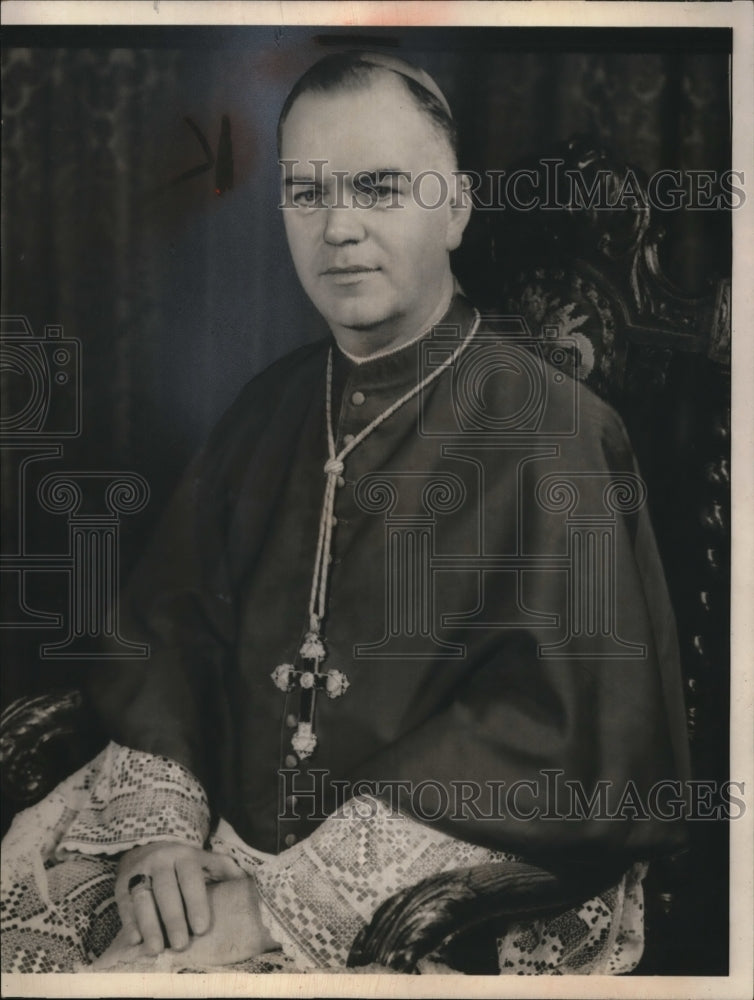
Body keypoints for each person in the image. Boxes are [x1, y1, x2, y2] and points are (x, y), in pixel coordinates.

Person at [1, 51, 690, 976]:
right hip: (209, 855)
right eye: (305, 191)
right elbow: (173, 630)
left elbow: (562, 735)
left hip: (410, 898)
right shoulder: (270, 407)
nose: (339, 227)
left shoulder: (561, 434)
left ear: (454, 208)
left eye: (378, 187)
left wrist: (286, 903)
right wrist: (159, 838)